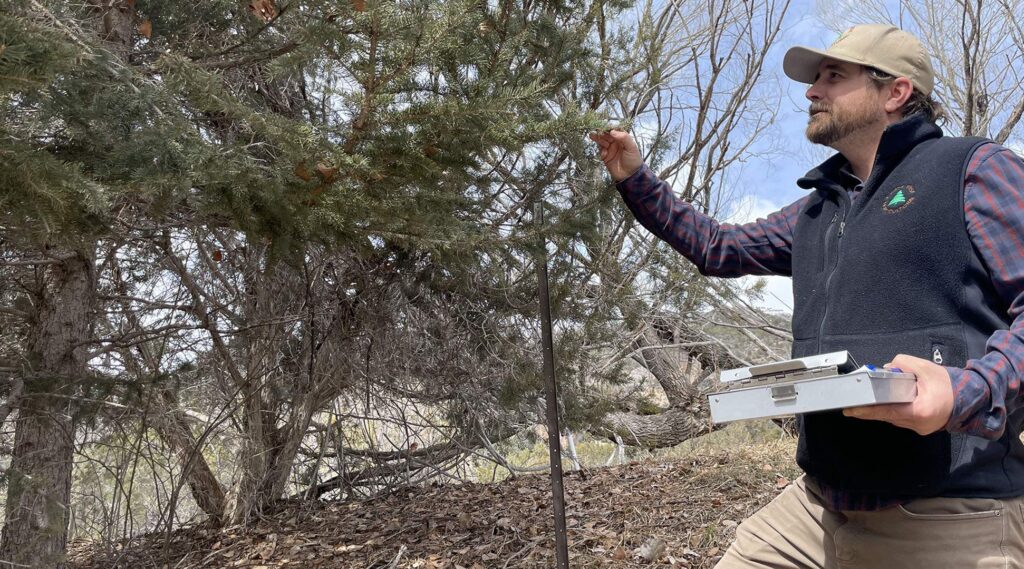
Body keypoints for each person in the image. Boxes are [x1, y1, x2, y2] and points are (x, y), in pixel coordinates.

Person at [591, 23, 1024, 569]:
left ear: (895, 92)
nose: (811, 91)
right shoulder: (819, 208)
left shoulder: (973, 170)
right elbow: (718, 247)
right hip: (819, 504)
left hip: (946, 509)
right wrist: (635, 178)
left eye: (833, 76)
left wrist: (968, 390)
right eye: (815, 79)